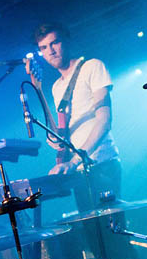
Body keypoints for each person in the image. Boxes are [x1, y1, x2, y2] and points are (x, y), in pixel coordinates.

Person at [31, 22, 121, 209]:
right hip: (78, 171)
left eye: (54, 43)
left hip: (101, 164)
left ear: (66, 41)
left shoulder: (92, 66)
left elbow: (104, 121)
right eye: (43, 48)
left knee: (111, 230)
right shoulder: (56, 87)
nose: (51, 51)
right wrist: (38, 91)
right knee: (90, 231)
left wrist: (74, 161)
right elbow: (58, 136)